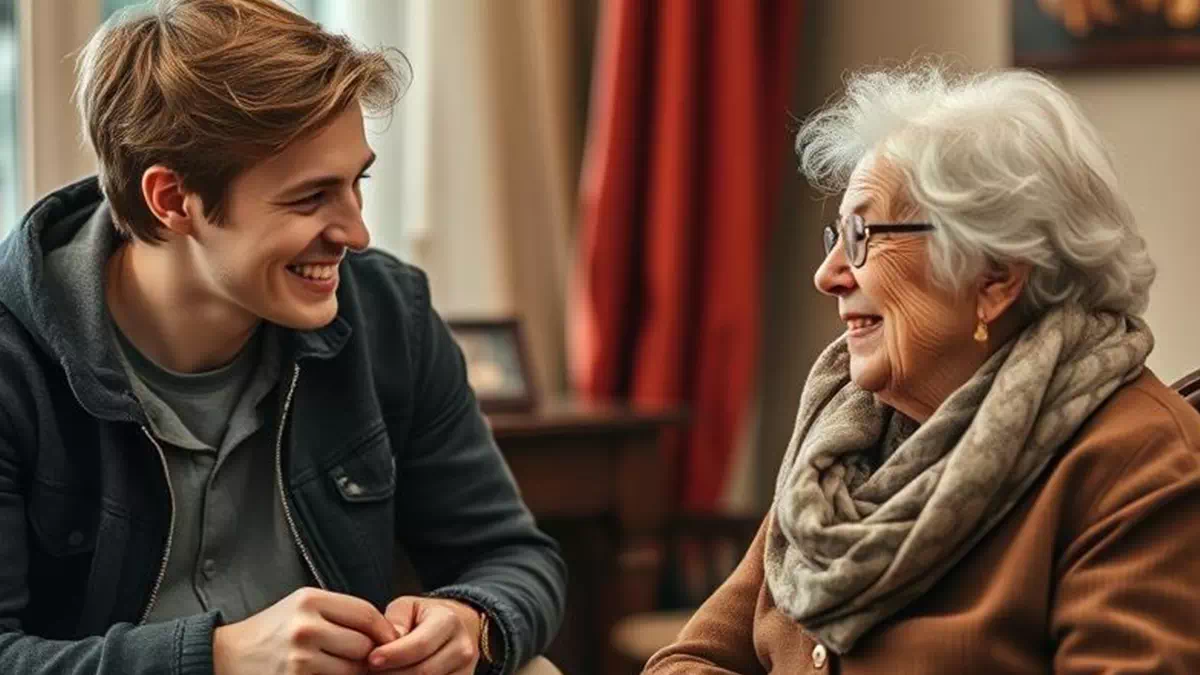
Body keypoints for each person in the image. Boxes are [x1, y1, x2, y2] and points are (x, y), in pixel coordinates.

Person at [0, 1, 566, 674]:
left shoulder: (390, 315)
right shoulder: (15, 362)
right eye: (310, 198)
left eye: (358, 183)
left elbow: (514, 556)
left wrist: (471, 617)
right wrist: (213, 658)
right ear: (172, 200)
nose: (356, 233)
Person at [646, 63, 1200, 673]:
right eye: (835, 236)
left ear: (995, 277)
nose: (827, 274)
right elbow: (689, 659)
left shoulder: (1136, 465)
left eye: (862, 235)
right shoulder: (842, 444)